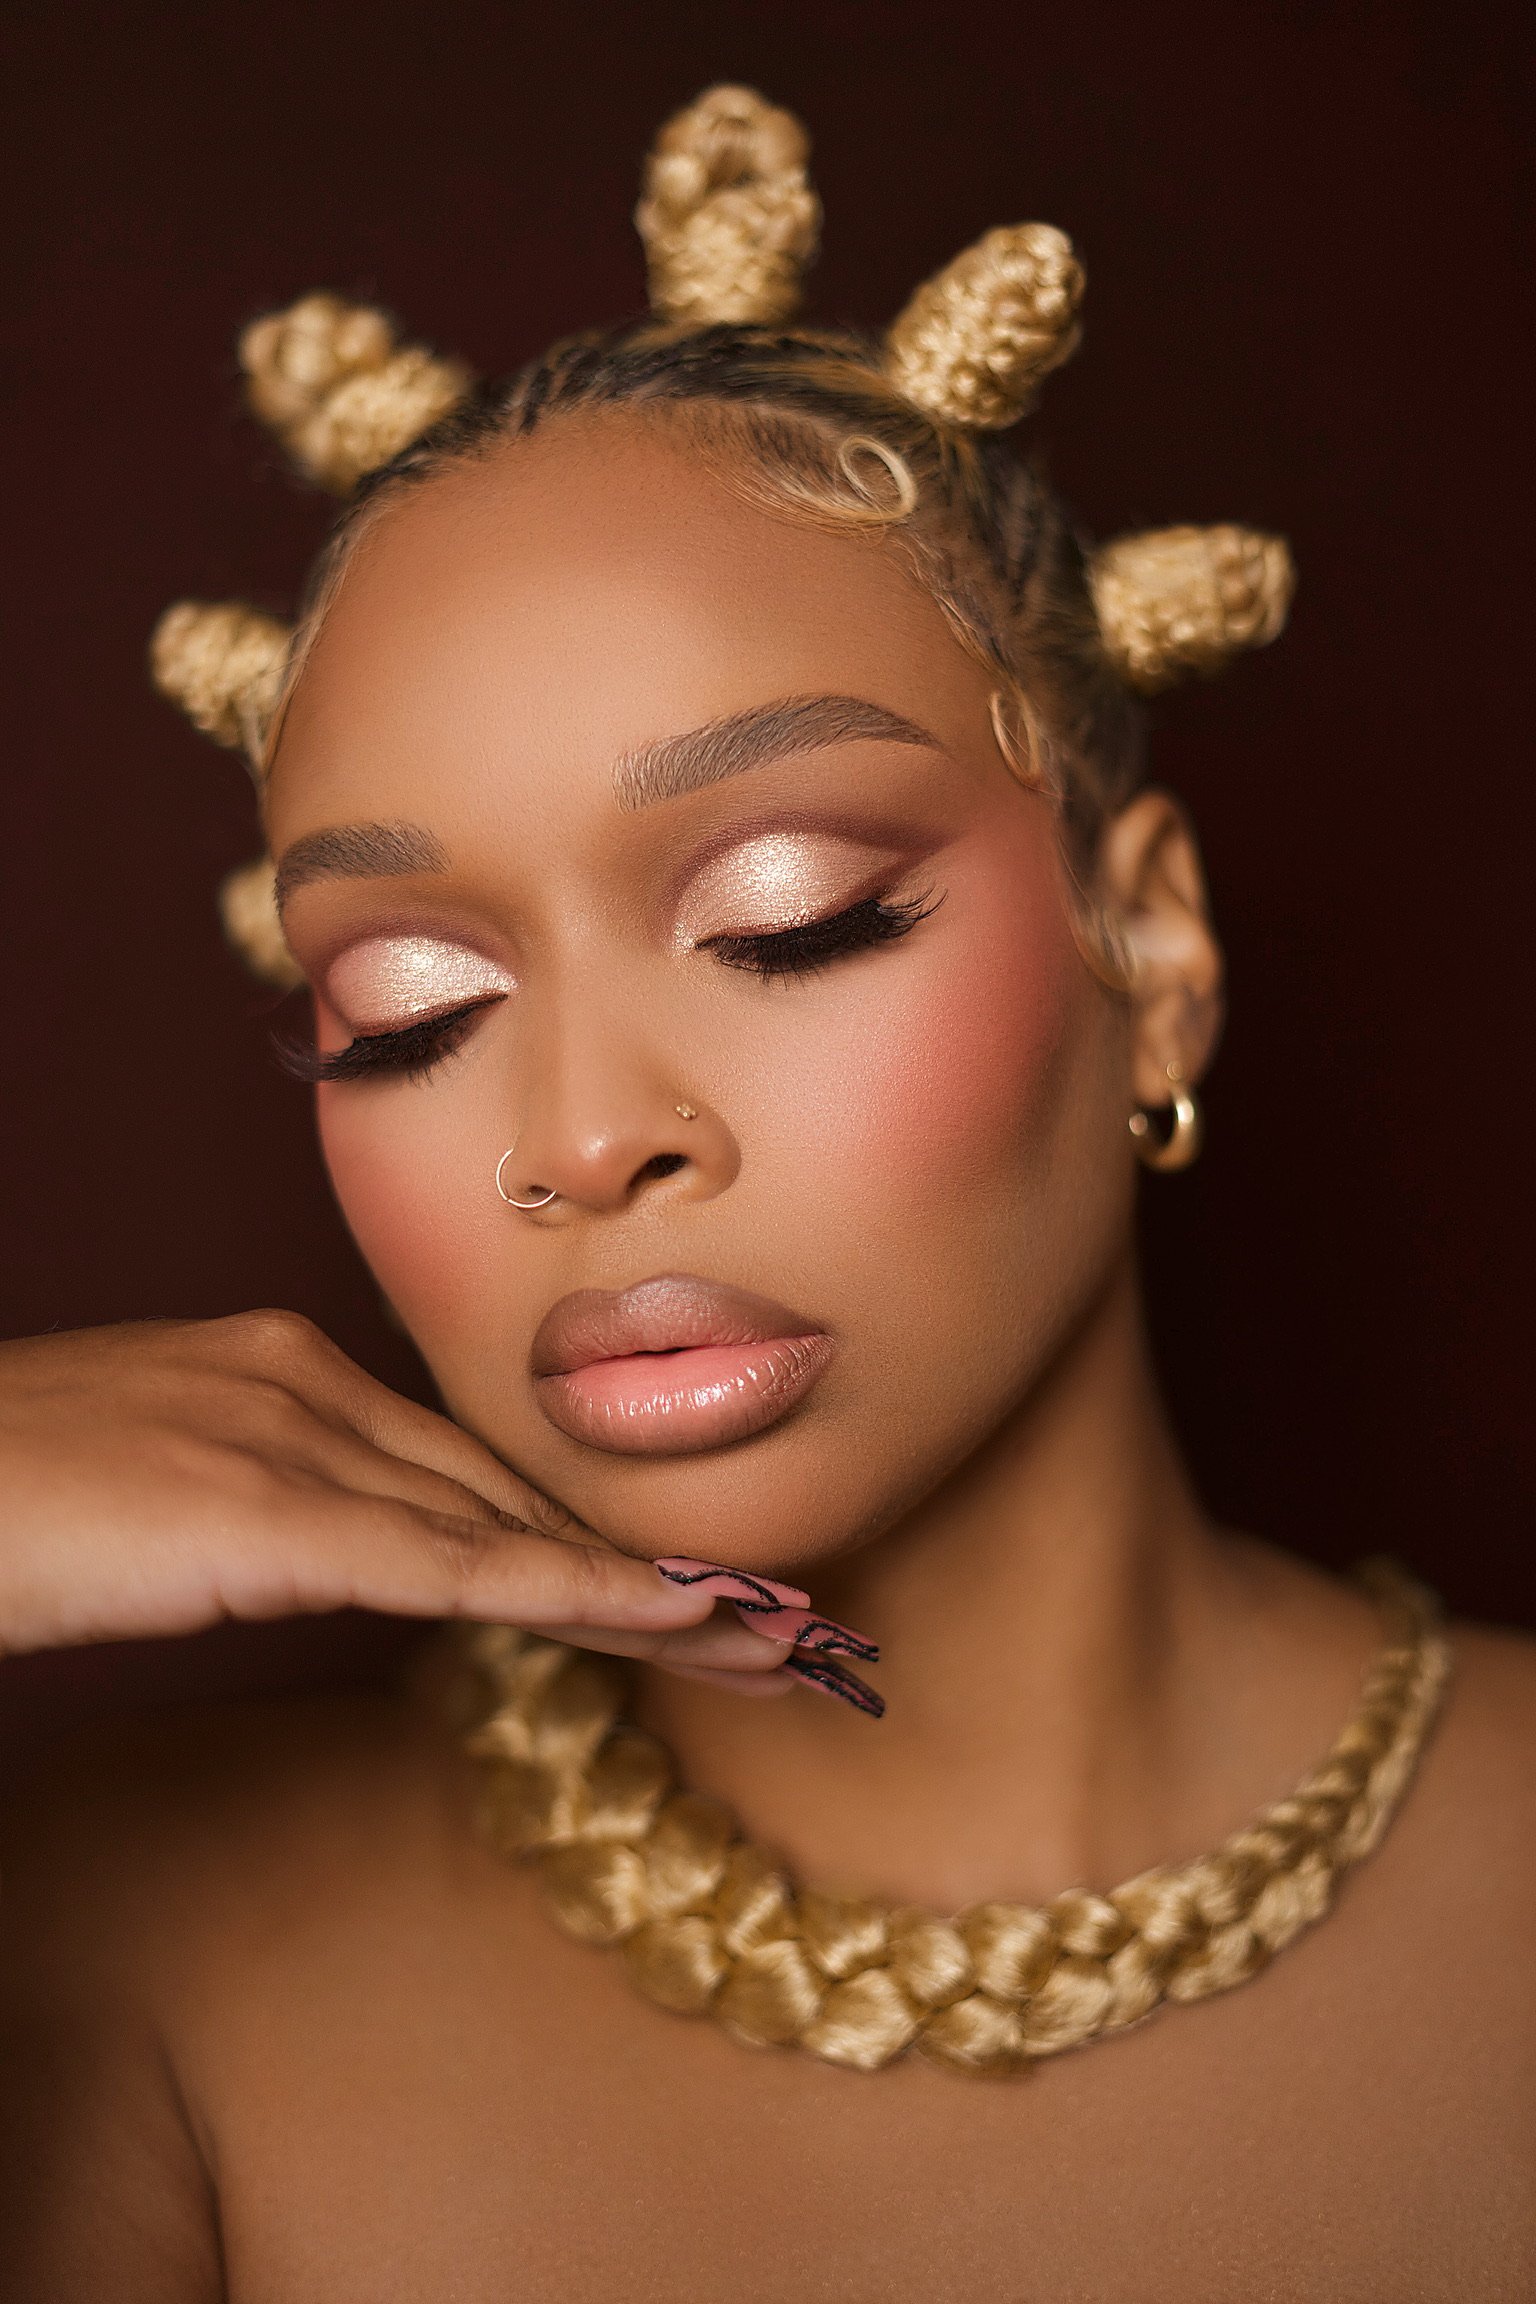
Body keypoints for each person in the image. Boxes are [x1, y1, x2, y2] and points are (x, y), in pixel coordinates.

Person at [1, 84, 1531, 2300]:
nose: (587, 1133)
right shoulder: (120, 1971)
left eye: (791, 914)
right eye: (410, 1005)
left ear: (1156, 962)